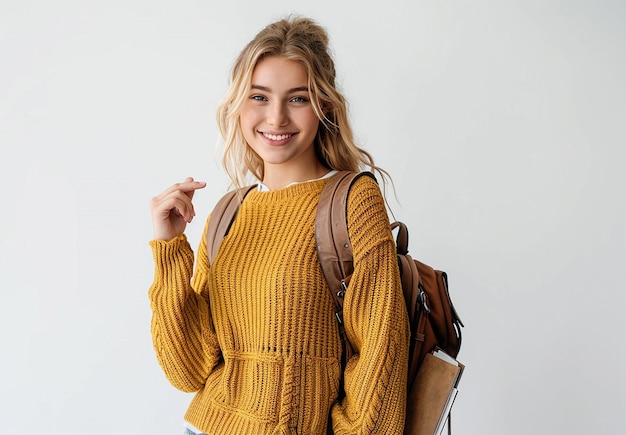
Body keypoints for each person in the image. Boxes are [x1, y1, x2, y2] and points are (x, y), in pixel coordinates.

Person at [148, 16, 410, 434]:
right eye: (259, 96)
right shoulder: (227, 212)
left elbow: (382, 351)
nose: (276, 118)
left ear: (324, 104)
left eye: (297, 99)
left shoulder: (352, 201)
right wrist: (170, 250)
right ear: (238, 103)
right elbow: (189, 371)